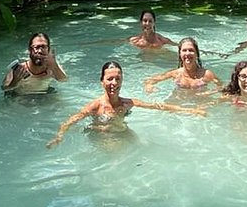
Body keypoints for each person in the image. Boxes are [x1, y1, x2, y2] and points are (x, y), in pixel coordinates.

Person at [46, 61, 204, 147]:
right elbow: (72, 120)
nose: (114, 83)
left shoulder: (127, 103)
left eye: (118, 79)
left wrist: (191, 111)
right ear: (102, 82)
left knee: (145, 147)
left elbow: (157, 106)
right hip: (101, 135)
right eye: (109, 79)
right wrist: (59, 137)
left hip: (122, 131)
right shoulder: (95, 106)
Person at [143, 37, 223, 95]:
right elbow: (150, 81)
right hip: (179, 106)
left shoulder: (207, 74)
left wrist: (208, 93)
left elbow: (222, 87)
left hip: (200, 107)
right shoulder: (175, 73)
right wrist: (149, 86)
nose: (187, 53)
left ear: (196, 54)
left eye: (191, 50)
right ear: (180, 54)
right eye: (184, 50)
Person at [2, 32, 67, 95]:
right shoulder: (20, 69)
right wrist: (15, 80)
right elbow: (5, 88)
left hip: (44, 96)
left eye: (43, 47)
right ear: (29, 50)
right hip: (22, 98)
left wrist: (54, 64)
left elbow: (63, 80)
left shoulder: (52, 67)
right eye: (36, 47)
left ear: (48, 49)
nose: (40, 51)